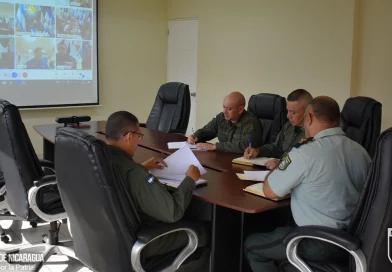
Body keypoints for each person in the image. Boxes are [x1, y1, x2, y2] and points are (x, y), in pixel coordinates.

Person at [244, 96, 371, 272]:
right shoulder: (361, 152)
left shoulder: (305, 152)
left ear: (309, 118)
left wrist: (279, 166)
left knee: (252, 246)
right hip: (353, 240)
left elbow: (270, 191)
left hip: (316, 240)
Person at [105, 111, 209, 271]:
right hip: (144, 240)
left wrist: (141, 167)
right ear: (128, 137)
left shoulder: (101, 159)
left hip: (113, 238)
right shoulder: (134, 173)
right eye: (138, 136)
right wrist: (190, 179)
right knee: (205, 231)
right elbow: (172, 212)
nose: (138, 142)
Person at [244, 89, 313, 170]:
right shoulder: (289, 126)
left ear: (307, 112)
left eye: (293, 112)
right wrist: (258, 151)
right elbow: (276, 148)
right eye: (288, 111)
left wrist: (282, 163)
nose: (288, 116)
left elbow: (305, 163)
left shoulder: (313, 133)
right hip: (276, 170)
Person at [187, 91, 263, 153]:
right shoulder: (221, 117)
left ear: (240, 109)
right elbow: (207, 130)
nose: (224, 111)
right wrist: (196, 136)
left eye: (229, 109)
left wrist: (216, 146)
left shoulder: (251, 122)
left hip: (241, 162)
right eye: (224, 107)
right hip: (223, 159)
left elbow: (246, 146)